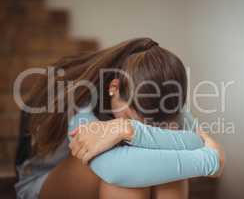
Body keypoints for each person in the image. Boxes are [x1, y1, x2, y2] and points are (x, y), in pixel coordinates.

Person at [15, 38, 225, 199]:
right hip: (47, 181)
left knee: (154, 166)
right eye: (130, 117)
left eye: (148, 124)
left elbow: (196, 141)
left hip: (120, 172)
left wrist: (130, 129)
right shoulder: (83, 97)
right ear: (113, 88)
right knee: (130, 172)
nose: (142, 126)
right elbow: (113, 169)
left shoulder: (163, 95)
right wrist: (207, 161)